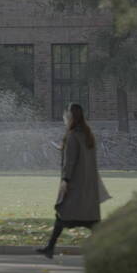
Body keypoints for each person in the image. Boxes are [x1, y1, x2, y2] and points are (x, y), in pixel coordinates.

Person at [36, 103, 102, 259]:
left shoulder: (73, 135)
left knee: (64, 213)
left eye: (66, 116)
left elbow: (70, 161)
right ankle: (50, 248)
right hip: (88, 184)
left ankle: (50, 248)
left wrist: (65, 180)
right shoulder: (88, 134)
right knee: (89, 219)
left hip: (74, 184)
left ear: (70, 117)